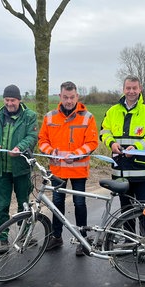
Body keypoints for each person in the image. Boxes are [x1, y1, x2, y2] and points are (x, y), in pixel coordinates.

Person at [100, 75, 145, 260]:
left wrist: (138, 147)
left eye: (134, 88)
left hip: (142, 171)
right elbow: (104, 131)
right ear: (123, 89)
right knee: (126, 210)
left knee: (144, 209)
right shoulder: (112, 111)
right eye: (128, 88)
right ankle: (128, 243)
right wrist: (111, 144)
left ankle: (144, 245)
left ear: (140, 89)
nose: (131, 91)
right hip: (120, 171)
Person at [38, 81, 99, 256]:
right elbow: (42, 140)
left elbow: (92, 142)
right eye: (65, 97)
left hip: (78, 170)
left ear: (77, 97)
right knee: (57, 204)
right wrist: (51, 152)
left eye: (72, 97)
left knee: (79, 203)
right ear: (60, 96)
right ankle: (57, 237)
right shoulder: (50, 117)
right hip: (57, 171)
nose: (69, 101)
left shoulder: (87, 117)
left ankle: (82, 239)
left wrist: (76, 155)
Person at [0, 84, 38, 254]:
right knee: (1, 206)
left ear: (19, 100)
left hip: (21, 168)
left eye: (12, 100)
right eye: (6, 100)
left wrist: (20, 147)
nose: (9, 103)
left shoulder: (30, 116)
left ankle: (23, 235)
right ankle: (2, 239)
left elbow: (32, 136)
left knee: (24, 205)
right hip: (1, 170)